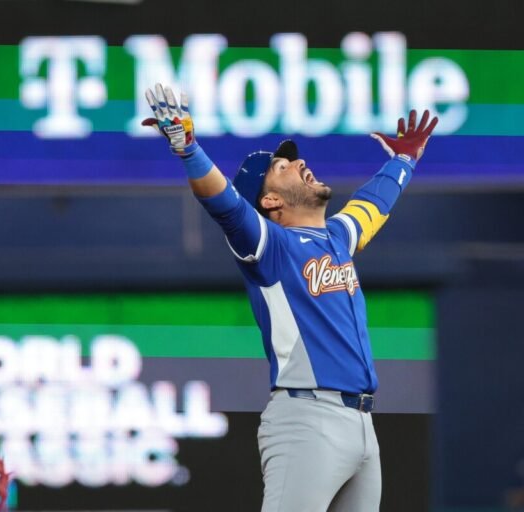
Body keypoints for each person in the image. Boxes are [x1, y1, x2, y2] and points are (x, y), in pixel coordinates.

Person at [143, 84, 438, 511]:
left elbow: (374, 202)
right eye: (283, 167)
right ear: (270, 200)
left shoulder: (337, 236)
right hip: (306, 418)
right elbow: (224, 204)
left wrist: (404, 161)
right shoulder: (271, 247)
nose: (300, 162)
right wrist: (189, 149)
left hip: (362, 423)